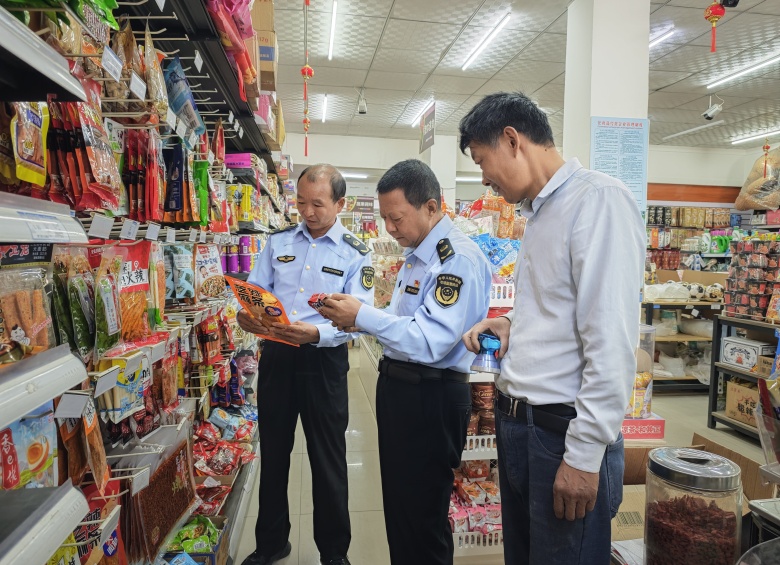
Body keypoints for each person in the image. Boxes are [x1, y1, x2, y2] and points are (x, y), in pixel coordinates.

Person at [460, 92, 645, 565]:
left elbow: (611, 340)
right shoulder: (538, 213)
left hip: (562, 433)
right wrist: (508, 322)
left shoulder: (598, 202)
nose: (483, 178)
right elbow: (555, 306)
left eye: (481, 161)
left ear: (512, 140)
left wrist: (584, 455)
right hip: (520, 427)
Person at [318, 159, 492, 565]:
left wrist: (363, 316)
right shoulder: (417, 254)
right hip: (403, 391)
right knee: (401, 511)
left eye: (396, 218)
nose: (389, 229)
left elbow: (429, 340)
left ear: (431, 207)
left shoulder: (456, 260)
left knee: (423, 518)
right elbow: (404, 323)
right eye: (384, 218)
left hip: (430, 395)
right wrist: (360, 318)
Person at [238, 164, 374, 565]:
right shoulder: (277, 241)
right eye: (301, 202)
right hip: (277, 357)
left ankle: (333, 552)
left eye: (318, 204)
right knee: (274, 453)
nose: (308, 212)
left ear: (340, 204)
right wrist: (246, 315)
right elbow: (255, 291)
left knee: (328, 459)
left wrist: (316, 334)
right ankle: (271, 543)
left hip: (324, 362)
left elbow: (360, 318)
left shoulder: (355, 253)